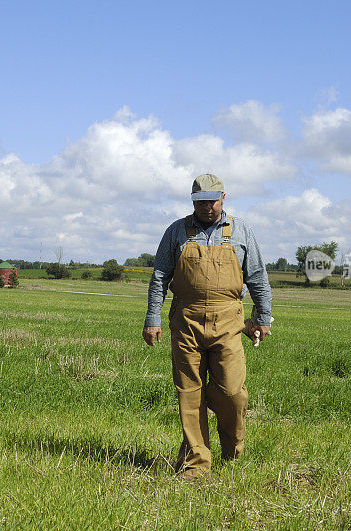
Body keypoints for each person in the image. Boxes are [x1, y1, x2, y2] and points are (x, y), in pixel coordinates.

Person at [142, 173, 272, 479]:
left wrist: (263, 317)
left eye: (212, 201)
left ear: (223, 198)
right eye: (200, 202)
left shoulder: (241, 231)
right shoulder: (176, 231)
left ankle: (232, 446)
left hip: (228, 320)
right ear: (193, 202)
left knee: (231, 392)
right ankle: (195, 463)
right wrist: (152, 318)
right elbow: (160, 276)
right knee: (189, 392)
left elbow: (257, 277)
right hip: (186, 320)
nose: (206, 208)